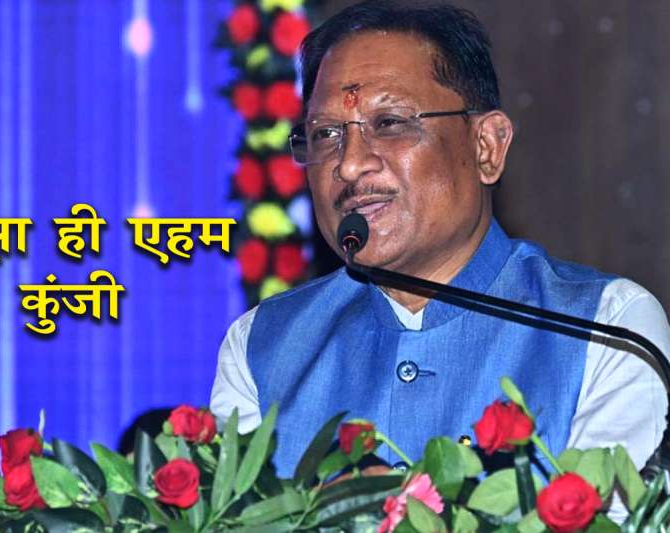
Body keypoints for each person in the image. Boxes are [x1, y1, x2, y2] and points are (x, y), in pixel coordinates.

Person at [210, 0, 669, 505]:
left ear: (486, 146)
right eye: (326, 134)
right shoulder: (263, 346)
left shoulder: (608, 330)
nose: (349, 165)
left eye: (389, 123)